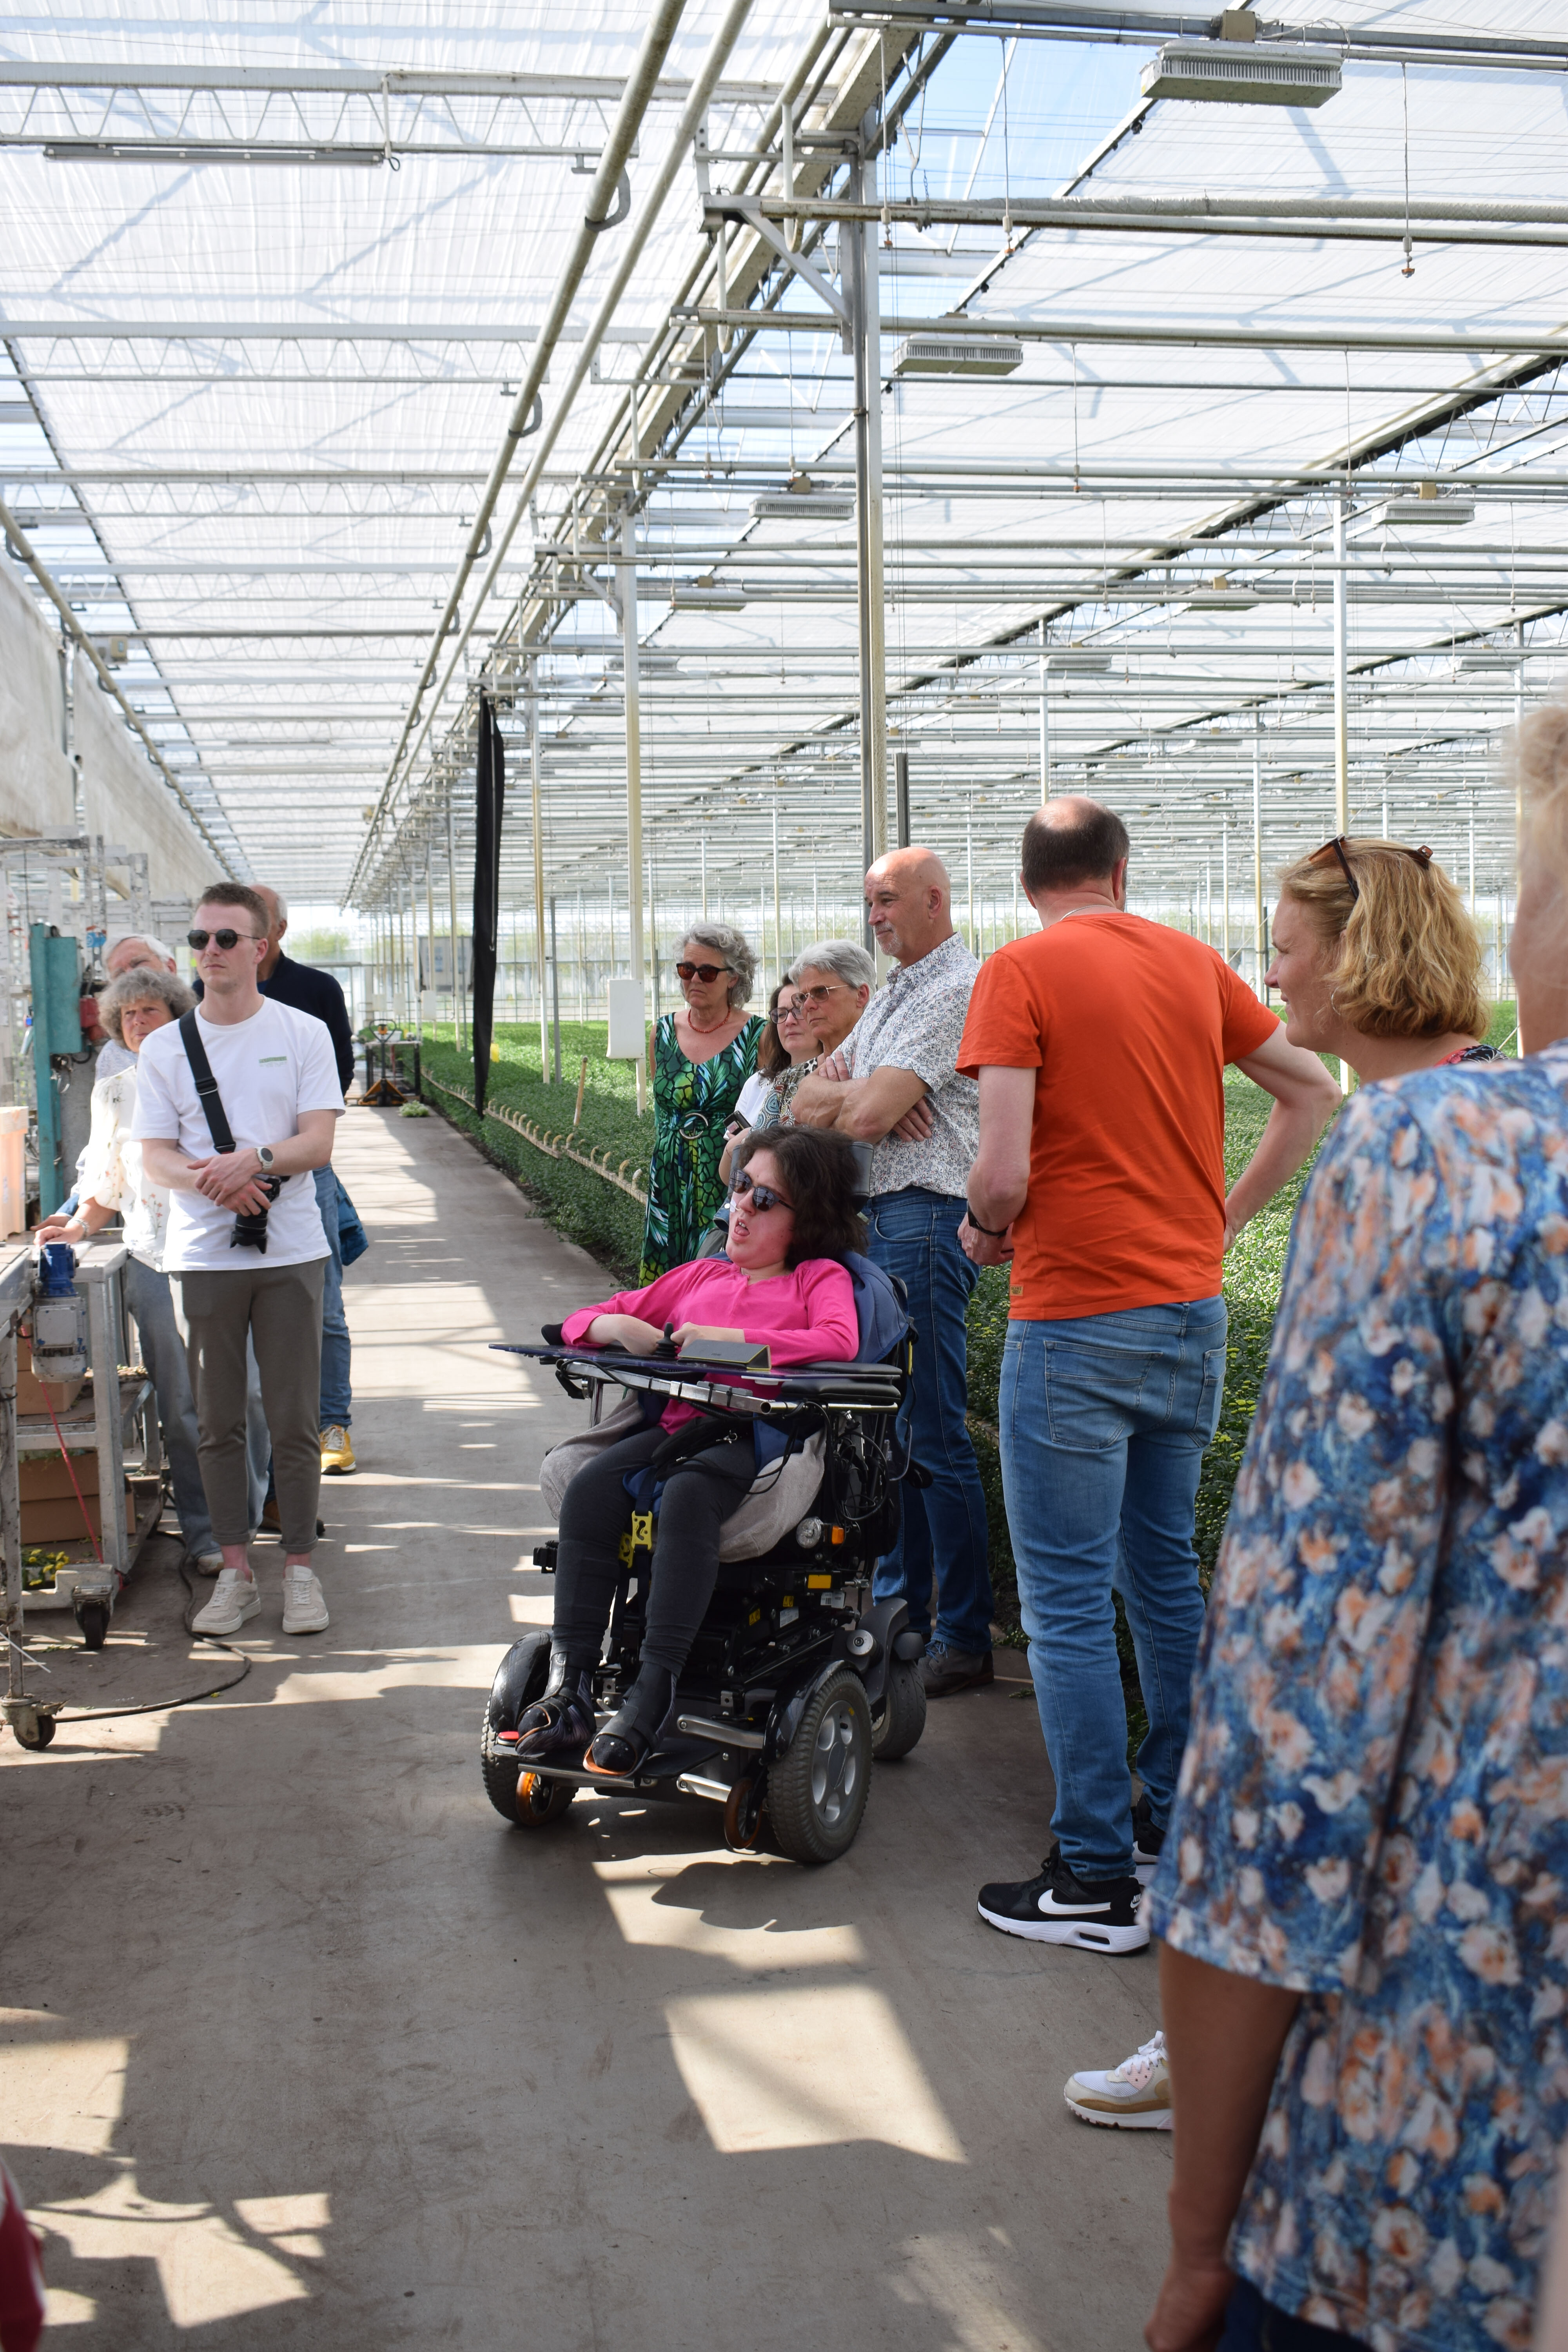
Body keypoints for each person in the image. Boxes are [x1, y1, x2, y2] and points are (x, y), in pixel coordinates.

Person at [1144, 706, 1568, 2352]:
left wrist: (1200, 2227)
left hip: (1452, 2160)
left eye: (1284, 945)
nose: (1270, 974)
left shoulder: (1444, 1154)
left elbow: (1290, 1739)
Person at [1065, 835, 1495, 2126]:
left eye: (1288, 951)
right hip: (1463, 1611)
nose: (1273, 975)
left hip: (1378, 1603)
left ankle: (1218, 2087)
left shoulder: (1395, 1143)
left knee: (1262, 1829)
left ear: (1359, 958)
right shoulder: (1492, 1112)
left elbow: (1352, 1441)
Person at [959, 797, 1338, 1954]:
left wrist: (985, 1230)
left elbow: (1000, 1173)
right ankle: (1174, 1825)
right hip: (1187, 1311)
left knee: (1066, 1601)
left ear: (1028, 883)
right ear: (1119, 873)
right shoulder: (1192, 964)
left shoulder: (1018, 971)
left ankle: (1090, 1876)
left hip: (1074, 1317)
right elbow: (1313, 1089)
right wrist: (1221, 1219)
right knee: (1163, 1573)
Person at [517, 1127, 864, 1775]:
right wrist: (615, 1326)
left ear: (808, 1218)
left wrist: (730, 1343)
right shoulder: (701, 1275)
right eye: (742, 1187)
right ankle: (571, 1688)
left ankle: (653, 1693)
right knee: (591, 1489)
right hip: (677, 1429)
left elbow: (839, 1341)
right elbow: (578, 1323)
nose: (742, 1206)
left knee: (688, 1494)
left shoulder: (818, 1278)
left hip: (758, 1437)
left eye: (765, 1199)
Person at [790, 851, 995, 1699]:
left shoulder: (955, 988)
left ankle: (962, 1632)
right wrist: (859, 1097)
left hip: (926, 1216)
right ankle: (900, 1614)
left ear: (934, 901)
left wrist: (866, 1098)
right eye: (868, 902)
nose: (874, 917)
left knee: (930, 1429)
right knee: (888, 1429)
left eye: (887, 901)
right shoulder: (896, 993)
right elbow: (805, 1103)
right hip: (882, 1216)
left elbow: (863, 1114)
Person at [133, 882, 344, 1639]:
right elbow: (155, 1155)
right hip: (203, 1256)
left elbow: (317, 1142)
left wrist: (250, 1161)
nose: (211, 952)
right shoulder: (166, 1047)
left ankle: (300, 1570)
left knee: (292, 1418)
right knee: (215, 1420)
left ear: (261, 947)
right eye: (200, 939)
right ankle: (235, 1573)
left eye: (227, 938)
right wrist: (212, 1182)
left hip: (291, 1252)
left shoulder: (303, 1032)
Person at [34, 965, 235, 1573]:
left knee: (246, 1396)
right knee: (182, 1403)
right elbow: (107, 1179)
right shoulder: (114, 1091)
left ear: (178, 1017)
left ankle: (247, 1516)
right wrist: (77, 1226)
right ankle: (206, 1534)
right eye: (128, 1015)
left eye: (151, 1010)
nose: (139, 1022)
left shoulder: (217, 1076)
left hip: (225, 1254)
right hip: (153, 1256)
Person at [251, 884, 360, 1478]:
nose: (223, 945)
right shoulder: (207, 996)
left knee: (323, 1303)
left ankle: (331, 1422)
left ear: (278, 930)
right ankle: (266, 1433)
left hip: (304, 1166)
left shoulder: (316, 990)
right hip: (230, 1173)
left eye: (251, 924)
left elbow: (338, 1074)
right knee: (240, 1305)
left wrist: (293, 1138)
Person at [640, 923, 763, 1282]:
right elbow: (662, 1113)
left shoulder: (759, 1036)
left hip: (726, 1176)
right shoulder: (662, 1033)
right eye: (686, 969)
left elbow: (770, 1106)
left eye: (707, 972)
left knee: (716, 1275)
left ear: (734, 978)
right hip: (668, 1175)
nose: (694, 979)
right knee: (665, 1282)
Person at [96, 935, 180, 1080]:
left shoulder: (202, 1035)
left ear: (170, 967)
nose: (131, 975)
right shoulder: (113, 1055)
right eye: (120, 973)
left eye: (138, 964)